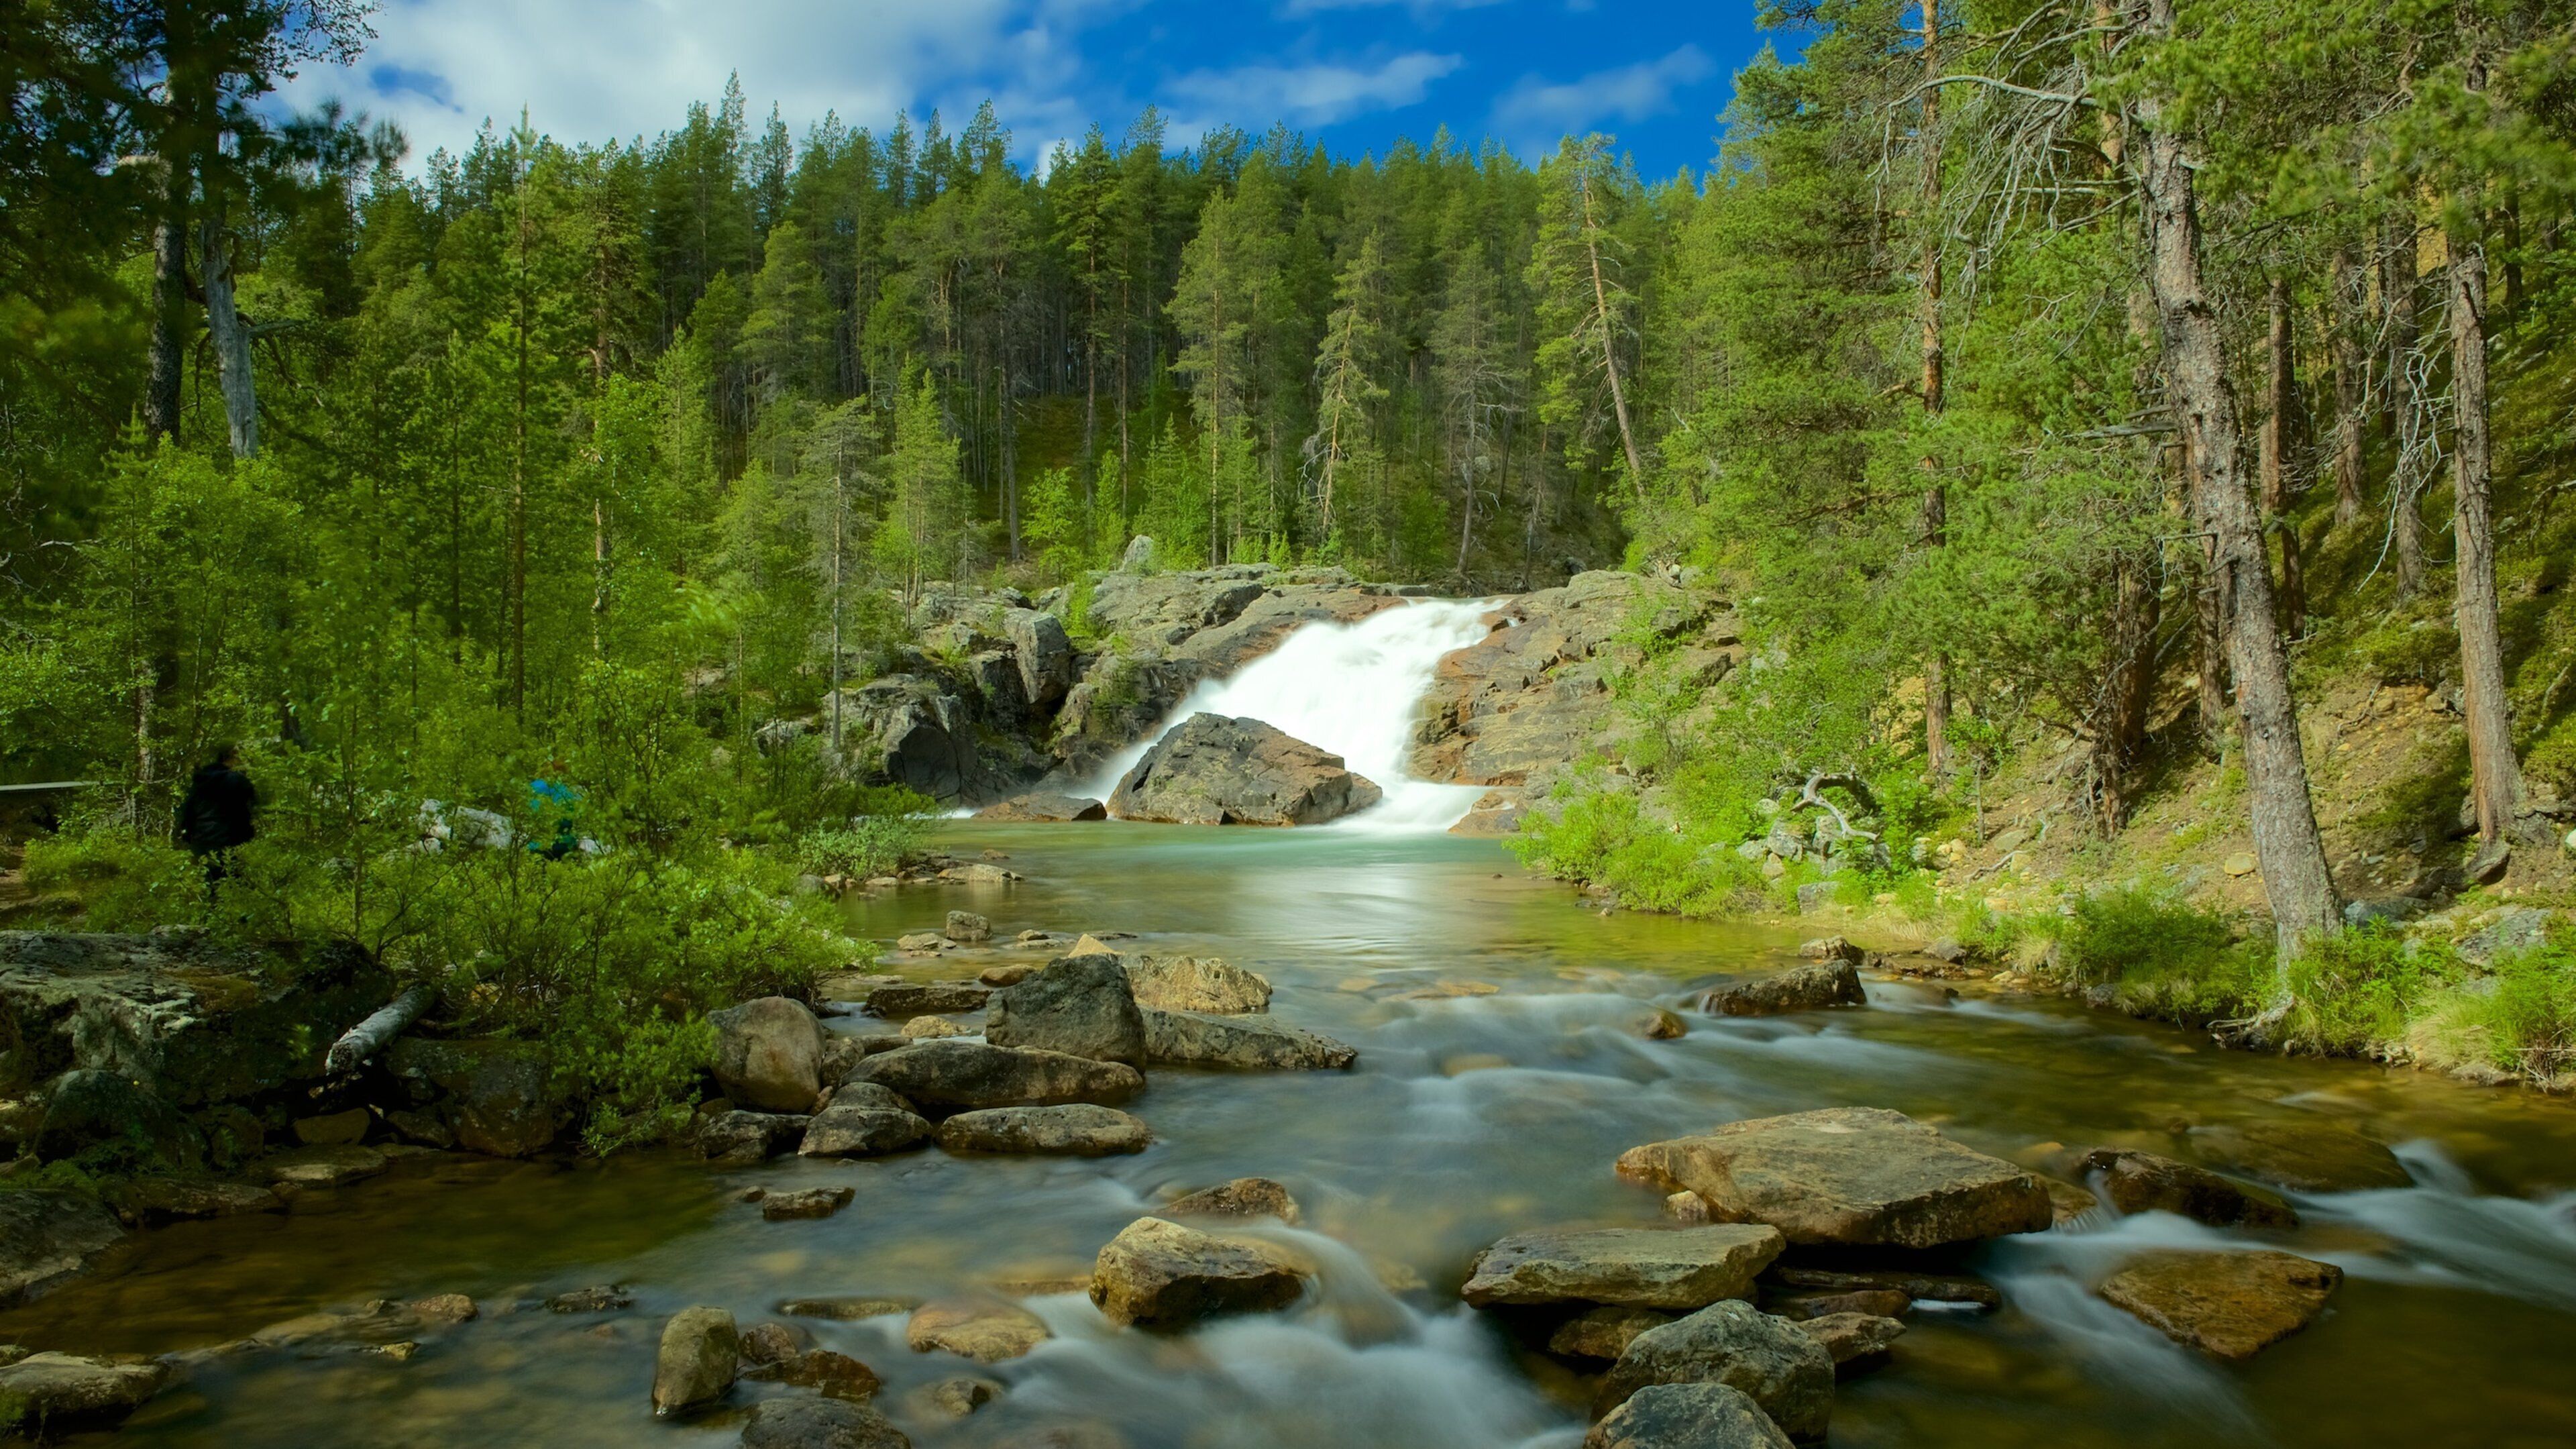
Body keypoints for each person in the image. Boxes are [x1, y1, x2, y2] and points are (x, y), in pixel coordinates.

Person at [176, 743, 257, 894]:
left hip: (202, 841)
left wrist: (187, 835)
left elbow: (187, 811)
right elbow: (251, 809)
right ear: (232, 757)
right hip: (230, 841)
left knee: (210, 884)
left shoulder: (200, 781)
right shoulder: (238, 781)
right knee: (235, 884)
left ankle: (211, 913)